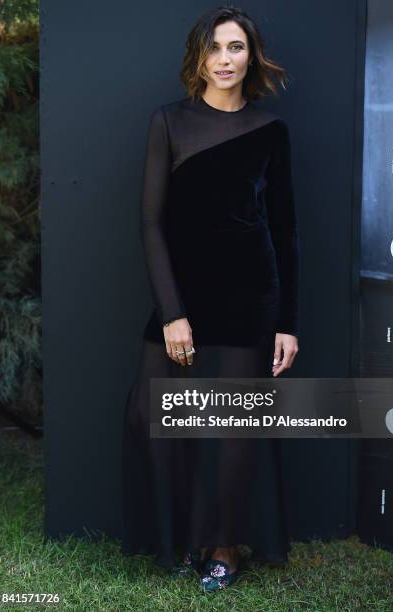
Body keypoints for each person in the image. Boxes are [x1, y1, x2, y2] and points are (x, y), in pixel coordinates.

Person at [121, 5, 300, 592]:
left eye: (236, 48)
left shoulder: (271, 131)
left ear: (252, 57)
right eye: (215, 48)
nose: (225, 59)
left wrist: (287, 323)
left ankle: (225, 546)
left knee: (230, 433)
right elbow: (151, 223)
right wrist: (173, 313)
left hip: (251, 300)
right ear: (199, 56)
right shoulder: (169, 122)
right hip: (184, 300)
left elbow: (284, 230)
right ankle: (181, 538)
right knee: (159, 418)